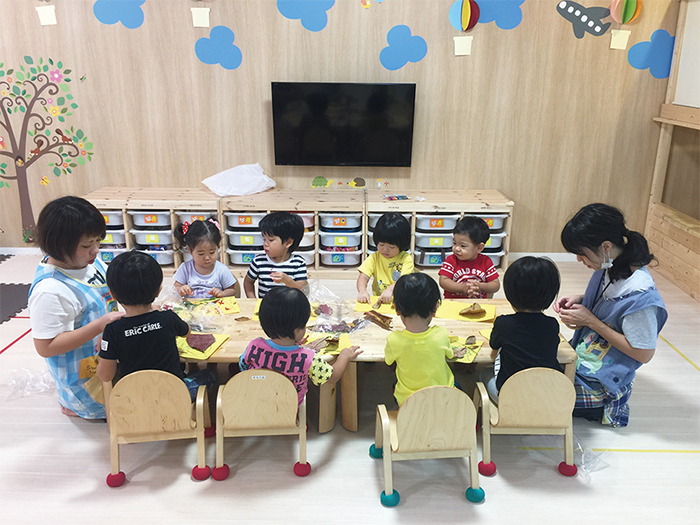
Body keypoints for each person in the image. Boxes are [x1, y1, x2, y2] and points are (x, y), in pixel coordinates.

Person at [554, 203, 668, 428]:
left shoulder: (640, 297)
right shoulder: (610, 265)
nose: (579, 260)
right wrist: (582, 299)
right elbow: (610, 300)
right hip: (583, 362)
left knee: (536, 394)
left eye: (582, 253)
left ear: (606, 246)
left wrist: (590, 320)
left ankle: (600, 407)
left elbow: (643, 353)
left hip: (601, 387)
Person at [28, 196, 125, 419]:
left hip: (106, 356)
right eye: (86, 245)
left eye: (98, 241)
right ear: (58, 245)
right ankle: (78, 406)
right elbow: (46, 347)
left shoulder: (87, 262)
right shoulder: (50, 290)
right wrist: (100, 325)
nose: (96, 250)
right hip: (85, 379)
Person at [96, 251, 216, 401]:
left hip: (135, 400)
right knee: (209, 374)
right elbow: (187, 331)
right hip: (173, 397)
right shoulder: (168, 318)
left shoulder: (112, 331)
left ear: (112, 294)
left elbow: (105, 376)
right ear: (159, 289)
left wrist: (103, 351)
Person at [238, 287, 362, 406]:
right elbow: (332, 377)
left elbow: (244, 367)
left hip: (254, 404)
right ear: (298, 330)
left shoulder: (254, 345)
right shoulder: (308, 357)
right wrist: (344, 357)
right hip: (287, 411)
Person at [483, 256, 563, 402]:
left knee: (484, 373)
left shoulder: (503, 323)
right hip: (544, 396)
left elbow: (494, 347)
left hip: (509, 397)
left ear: (510, 294)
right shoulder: (552, 325)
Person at [385, 273, 465, 406]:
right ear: (435, 308)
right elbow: (450, 355)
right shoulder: (441, 334)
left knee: (395, 384)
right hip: (443, 398)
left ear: (396, 308)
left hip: (409, 403)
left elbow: (389, 362)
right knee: (458, 386)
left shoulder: (393, 340)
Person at [244, 211, 307, 298]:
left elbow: (301, 289)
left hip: (289, 304)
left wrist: (287, 281)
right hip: (266, 304)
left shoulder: (298, 263)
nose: (265, 244)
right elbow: (248, 282)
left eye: (270, 240)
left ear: (288, 243)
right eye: (264, 239)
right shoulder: (259, 262)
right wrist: (253, 300)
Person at [173, 218, 240, 298]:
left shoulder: (222, 270)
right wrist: (181, 289)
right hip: (191, 305)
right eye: (201, 254)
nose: (207, 258)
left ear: (218, 247)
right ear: (190, 250)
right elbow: (176, 287)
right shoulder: (185, 268)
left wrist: (222, 293)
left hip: (215, 305)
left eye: (212, 252)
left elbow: (232, 290)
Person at [357, 212, 413, 306]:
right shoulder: (374, 257)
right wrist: (362, 291)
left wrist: (390, 290)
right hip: (380, 300)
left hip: (400, 301)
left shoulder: (406, 258)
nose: (385, 250)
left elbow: (404, 280)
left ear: (402, 245)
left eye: (391, 247)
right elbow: (363, 277)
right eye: (381, 245)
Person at [438, 215, 500, 299]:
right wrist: (463, 288)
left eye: (463, 246)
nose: (457, 248)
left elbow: (495, 285)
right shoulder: (451, 260)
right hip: (454, 302)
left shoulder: (486, 261)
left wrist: (480, 286)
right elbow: (443, 281)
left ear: (479, 248)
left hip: (479, 303)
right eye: (455, 243)